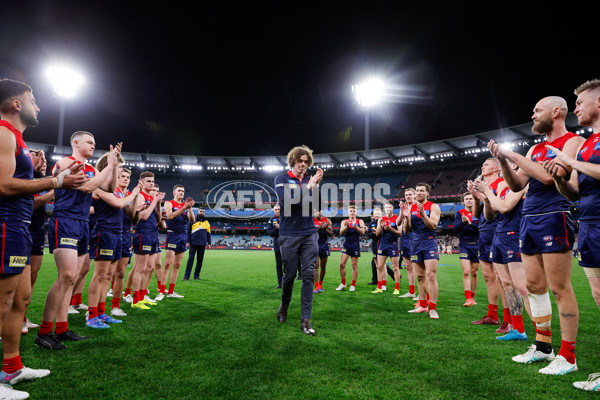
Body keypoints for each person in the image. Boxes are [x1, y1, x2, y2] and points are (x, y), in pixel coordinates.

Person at [0, 78, 86, 398]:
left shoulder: (18, 140)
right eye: (33, 99)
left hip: (21, 229)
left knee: (20, 302)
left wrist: (55, 184)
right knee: (2, 304)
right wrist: (55, 180)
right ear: (16, 104)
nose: (39, 105)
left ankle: (11, 369)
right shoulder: (3, 133)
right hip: (6, 227)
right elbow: (4, 186)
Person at [488, 95, 584, 375]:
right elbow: (518, 182)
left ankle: (568, 355)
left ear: (556, 112)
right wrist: (504, 162)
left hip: (554, 216)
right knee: (533, 285)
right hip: (528, 220)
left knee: (559, 288)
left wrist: (512, 155)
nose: (533, 115)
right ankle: (543, 346)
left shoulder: (572, 142)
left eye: (537, 110)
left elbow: (546, 178)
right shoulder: (534, 149)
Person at [35, 131, 122, 350]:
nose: (93, 145)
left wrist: (111, 166)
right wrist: (109, 168)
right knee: (67, 275)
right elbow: (86, 187)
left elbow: (109, 188)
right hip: (65, 220)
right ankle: (44, 332)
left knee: (73, 279)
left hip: (83, 224)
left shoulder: (93, 168)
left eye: (95, 142)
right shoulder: (66, 161)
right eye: (89, 142)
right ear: (76, 142)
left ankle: (62, 328)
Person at [540, 79, 600, 389]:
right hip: (588, 223)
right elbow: (573, 191)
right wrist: (559, 177)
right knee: (598, 295)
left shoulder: (584, 146)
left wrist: (568, 160)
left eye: (580, 103)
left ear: (598, 104)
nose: (576, 108)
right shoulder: (589, 143)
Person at [474, 169, 532, 341]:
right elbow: (490, 215)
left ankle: (541, 336)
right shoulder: (500, 188)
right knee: (507, 284)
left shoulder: (521, 185)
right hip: (499, 235)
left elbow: (505, 208)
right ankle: (518, 329)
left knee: (521, 287)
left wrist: (487, 193)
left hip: (514, 235)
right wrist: (486, 198)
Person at [86, 155, 141, 328]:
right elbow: (118, 205)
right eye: (118, 168)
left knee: (108, 275)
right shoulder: (99, 186)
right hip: (104, 232)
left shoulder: (116, 190)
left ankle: (101, 312)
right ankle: (91, 314)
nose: (121, 174)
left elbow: (129, 212)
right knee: (100, 275)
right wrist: (133, 194)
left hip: (117, 234)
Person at [275, 145, 323, 335]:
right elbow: (286, 203)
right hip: (289, 233)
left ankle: (305, 320)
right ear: (293, 161)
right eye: (300, 161)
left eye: (306, 162)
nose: (303, 164)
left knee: (309, 275)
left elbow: (316, 207)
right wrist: (309, 186)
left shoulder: (310, 181)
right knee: (290, 275)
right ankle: (284, 305)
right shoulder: (281, 179)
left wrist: (316, 187)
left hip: (309, 232)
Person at [468, 158, 509, 332]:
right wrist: (476, 198)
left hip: (498, 230)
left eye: (486, 164)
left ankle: (509, 319)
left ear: (496, 168)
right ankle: (492, 315)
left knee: (502, 278)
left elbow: (496, 209)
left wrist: (483, 196)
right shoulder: (482, 185)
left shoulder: (501, 183)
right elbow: (476, 214)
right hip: (483, 231)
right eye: (482, 164)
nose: (482, 166)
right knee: (488, 277)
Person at [23, 150, 52, 333]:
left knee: (32, 278)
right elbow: (32, 204)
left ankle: (22, 317)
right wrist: (54, 190)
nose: (42, 160)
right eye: (36, 155)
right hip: (22, 228)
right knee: (17, 280)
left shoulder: (43, 181)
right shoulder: (25, 178)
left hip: (38, 230)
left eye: (44, 158)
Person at [402, 182, 441, 319]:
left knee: (431, 275)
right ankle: (423, 305)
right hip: (415, 244)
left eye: (421, 191)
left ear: (427, 193)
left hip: (429, 242)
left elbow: (433, 226)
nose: (418, 193)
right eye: (417, 190)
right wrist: (406, 217)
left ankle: (433, 308)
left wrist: (423, 214)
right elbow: (407, 230)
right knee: (420, 277)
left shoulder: (433, 206)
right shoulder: (411, 207)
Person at [130, 172, 165, 309]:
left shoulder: (151, 197)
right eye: (148, 181)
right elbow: (143, 216)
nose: (151, 183)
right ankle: (135, 300)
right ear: (142, 182)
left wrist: (158, 203)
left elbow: (158, 218)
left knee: (149, 268)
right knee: (140, 268)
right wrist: (155, 201)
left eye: (153, 181)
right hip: (142, 233)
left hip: (152, 234)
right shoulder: (140, 197)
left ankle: (143, 296)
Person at [109, 167, 140, 316]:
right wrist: (133, 195)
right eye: (122, 176)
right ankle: (95, 310)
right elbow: (119, 205)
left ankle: (115, 306)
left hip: (126, 235)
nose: (126, 178)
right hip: (110, 233)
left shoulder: (126, 194)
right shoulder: (111, 190)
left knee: (120, 273)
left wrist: (135, 201)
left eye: (128, 176)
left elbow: (132, 216)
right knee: (106, 274)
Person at [158, 185, 194, 300]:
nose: (181, 193)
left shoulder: (185, 206)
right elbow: (170, 216)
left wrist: (190, 208)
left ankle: (171, 291)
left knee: (177, 265)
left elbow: (192, 220)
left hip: (183, 235)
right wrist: (184, 208)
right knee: (168, 263)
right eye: (179, 191)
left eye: (183, 191)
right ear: (174, 192)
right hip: (172, 234)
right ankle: (162, 291)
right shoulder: (169, 203)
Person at [453, 192, 479, 307]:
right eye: (467, 199)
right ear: (463, 201)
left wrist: (470, 223)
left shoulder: (478, 212)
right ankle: (468, 298)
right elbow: (456, 229)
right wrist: (463, 223)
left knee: (474, 272)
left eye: (471, 198)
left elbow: (480, 229)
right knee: (466, 271)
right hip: (464, 245)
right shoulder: (459, 213)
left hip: (477, 245)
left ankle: (472, 298)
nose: (469, 200)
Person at [336, 205, 366, 292]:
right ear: (348, 212)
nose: (352, 212)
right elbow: (341, 233)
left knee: (354, 265)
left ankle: (352, 285)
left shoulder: (360, 221)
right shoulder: (344, 221)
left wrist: (356, 226)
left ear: (356, 212)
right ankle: (343, 283)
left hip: (355, 245)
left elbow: (363, 232)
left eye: (354, 211)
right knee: (342, 264)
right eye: (351, 211)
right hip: (346, 244)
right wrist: (347, 227)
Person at [373, 203, 402, 294]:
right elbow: (377, 234)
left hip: (393, 244)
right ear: (384, 209)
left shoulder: (397, 218)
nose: (388, 208)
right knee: (380, 266)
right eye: (386, 207)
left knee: (395, 268)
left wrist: (391, 229)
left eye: (389, 207)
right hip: (383, 244)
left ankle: (396, 288)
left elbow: (400, 233)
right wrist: (381, 227)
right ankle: (379, 287)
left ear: (392, 208)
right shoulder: (382, 219)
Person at [398, 188, 418, 299]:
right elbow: (397, 223)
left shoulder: (417, 208)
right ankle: (411, 291)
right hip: (404, 239)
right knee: (409, 267)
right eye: (406, 195)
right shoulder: (404, 208)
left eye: (410, 194)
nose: (408, 196)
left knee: (419, 268)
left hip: (414, 238)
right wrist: (402, 212)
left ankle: (423, 294)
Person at [183, 207, 211, 281]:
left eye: (203, 212)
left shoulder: (206, 222)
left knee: (200, 260)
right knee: (190, 260)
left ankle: (196, 276)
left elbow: (208, 233)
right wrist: (188, 241)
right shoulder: (192, 221)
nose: (202, 213)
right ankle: (186, 276)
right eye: (200, 211)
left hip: (202, 243)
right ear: (198, 212)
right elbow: (188, 232)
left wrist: (209, 243)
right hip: (193, 243)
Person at [313, 209, 332, 293]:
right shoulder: (311, 220)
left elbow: (331, 234)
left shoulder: (327, 220)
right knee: (316, 266)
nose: (317, 212)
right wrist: (320, 227)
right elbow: (311, 233)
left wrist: (325, 229)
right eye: (315, 211)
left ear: (321, 212)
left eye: (318, 211)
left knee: (323, 266)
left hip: (324, 244)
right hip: (315, 244)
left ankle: (320, 284)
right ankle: (316, 286)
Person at [266, 204, 282, 288]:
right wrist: (276, 228)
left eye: (279, 209)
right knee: (279, 265)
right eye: (276, 209)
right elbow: (270, 233)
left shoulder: (286, 218)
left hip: (288, 244)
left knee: (288, 265)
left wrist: (281, 227)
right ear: (273, 211)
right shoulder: (271, 220)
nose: (277, 211)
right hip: (277, 244)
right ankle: (280, 283)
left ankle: (288, 283)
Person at [367, 208, 381, 285]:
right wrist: (374, 233)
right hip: (375, 246)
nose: (377, 215)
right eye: (376, 213)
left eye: (378, 213)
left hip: (383, 245)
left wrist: (378, 232)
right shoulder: (371, 224)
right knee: (377, 265)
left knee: (381, 265)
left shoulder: (383, 222)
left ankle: (381, 284)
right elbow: (368, 234)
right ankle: (377, 282)